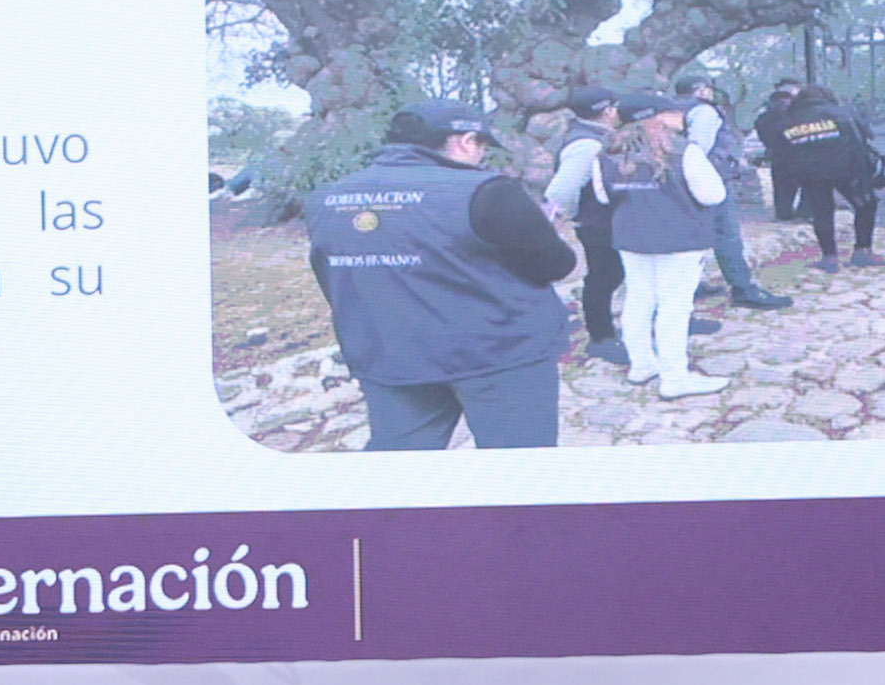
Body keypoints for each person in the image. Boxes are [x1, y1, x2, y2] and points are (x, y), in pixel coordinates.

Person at [304, 97, 578, 449]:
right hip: (498, 355)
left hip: (391, 354)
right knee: (519, 471)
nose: (481, 156)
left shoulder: (325, 198)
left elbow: (332, 273)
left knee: (397, 471)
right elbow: (556, 265)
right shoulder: (486, 191)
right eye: (481, 146)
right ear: (465, 141)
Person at [601, 90, 727, 399]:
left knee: (639, 298)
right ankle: (675, 377)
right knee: (675, 306)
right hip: (680, 239)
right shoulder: (683, 151)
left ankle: (641, 364)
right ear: (655, 117)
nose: (681, 115)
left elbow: (604, 197)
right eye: (672, 111)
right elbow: (714, 195)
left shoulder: (606, 154)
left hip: (630, 237)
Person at [677, 71, 795, 314]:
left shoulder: (671, 110)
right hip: (711, 180)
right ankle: (743, 288)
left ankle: (690, 286)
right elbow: (698, 149)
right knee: (726, 234)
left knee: (687, 235)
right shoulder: (704, 111)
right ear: (701, 89)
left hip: (678, 183)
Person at [541, 86, 630, 370]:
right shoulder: (588, 144)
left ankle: (605, 333)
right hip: (599, 222)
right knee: (604, 277)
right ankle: (601, 337)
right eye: (615, 107)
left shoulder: (589, 136)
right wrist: (567, 215)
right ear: (606, 111)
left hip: (602, 220)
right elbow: (561, 190)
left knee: (608, 275)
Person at [766, 83, 885, 268]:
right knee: (866, 205)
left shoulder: (788, 121)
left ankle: (829, 257)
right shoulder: (842, 113)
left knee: (822, 212)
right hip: (847, 170)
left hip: (810, 173)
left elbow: (779, 150)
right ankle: (863, 250)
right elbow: (867, 135)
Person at [754, 80, 808, 221]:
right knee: (809, 188)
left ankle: (785, 216)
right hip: (799, 157)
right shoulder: (801, 114)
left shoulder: (765, 117)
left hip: (781, 159)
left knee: (783, 192)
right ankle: (802, 216)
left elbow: (765, 134)